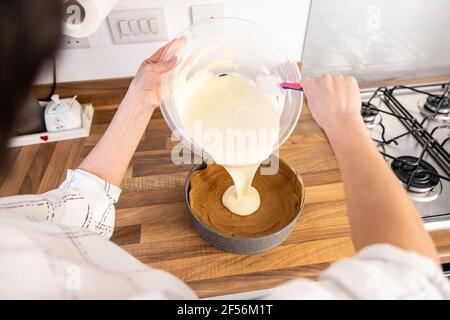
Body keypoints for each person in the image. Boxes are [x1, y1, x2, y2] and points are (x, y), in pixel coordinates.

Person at [0, 0, 449, 300]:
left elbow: (72, 213)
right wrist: (346, 122)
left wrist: (140, 98)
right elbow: (413, 279)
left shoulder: (14, 233)